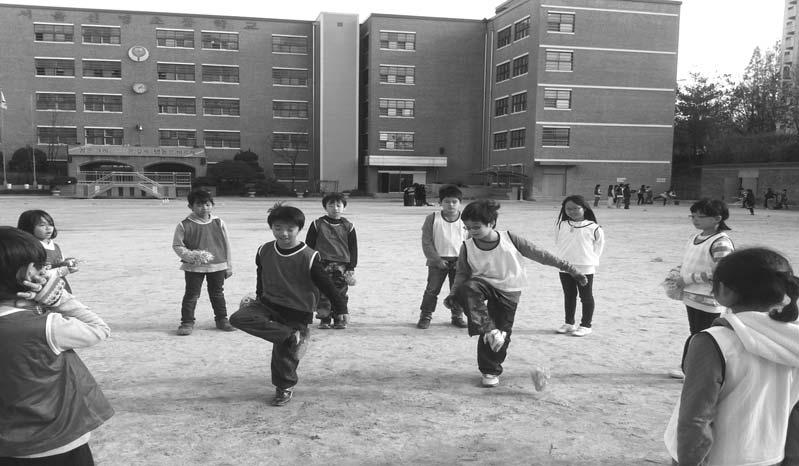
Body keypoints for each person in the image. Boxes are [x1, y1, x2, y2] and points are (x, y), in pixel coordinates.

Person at [664, 247, 799, 466]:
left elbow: (696, 418)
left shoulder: (714, 341)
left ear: (724, 291)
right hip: (768, 455)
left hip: (719, 457)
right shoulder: (792, 338)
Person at [443, 199, 587, 388]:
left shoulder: (510, 239)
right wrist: (453, 295)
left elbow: (541, 254)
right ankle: (488, 331)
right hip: (482, 284)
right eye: (467, 228)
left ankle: (491, 370)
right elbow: (462, 273)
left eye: (476, 227)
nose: (471, 232)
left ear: (491, 223)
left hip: (509, 290)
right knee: (469, 290)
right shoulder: (467, 246)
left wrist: (572, 270)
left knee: (502, 333)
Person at [0, 226, 114, 464]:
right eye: (40, 267)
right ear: (29, 273)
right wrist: (58, 298)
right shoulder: (46, 326)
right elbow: (99, 329)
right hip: (58, 439)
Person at [230, 203, 348, 406]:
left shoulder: (309, 256)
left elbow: (326, 285)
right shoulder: (264, 250)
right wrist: (259, 297)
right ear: (271, 228)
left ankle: (284, 387)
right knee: (239, 318)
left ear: (298, 229)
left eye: (289, 229)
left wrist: (341, 308)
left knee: (283, 356)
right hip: (268, 303)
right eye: (278, 228)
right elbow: (261, 275)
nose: (283, 233)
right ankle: (291, 336)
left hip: (297, 310)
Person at [669, 199, 735, 379]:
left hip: (708, 298)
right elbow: (689, 260)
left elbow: (721, 270)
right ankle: (689, 367)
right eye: (693, 215)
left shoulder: (720, 242)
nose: (695, 219)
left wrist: (689, 279)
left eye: (701, 216)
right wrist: (676, 273)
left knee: (703, 336)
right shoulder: (694, 237)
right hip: (692, 296)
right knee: (696, 333)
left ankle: (693, 370)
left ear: (717, 218)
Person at [172, 188, 234, 336]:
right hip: (194, 267)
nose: (204, 208)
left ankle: (222, 319)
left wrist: (229, 265)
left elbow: (226, 244)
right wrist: (190, 255)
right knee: (192, 295)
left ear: (212, 205)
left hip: (218, 265)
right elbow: (177, 245)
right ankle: (187, 322)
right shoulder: (184, 225)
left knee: (217, 293)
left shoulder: (219, 222)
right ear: (191, 206)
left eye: (207, 204)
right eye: (199, 205)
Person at [416, 184, 470, 329]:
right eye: (447, 201)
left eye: (454, 202)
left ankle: (457, 315)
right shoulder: (432, 218)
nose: (450, 205)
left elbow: (471, 242)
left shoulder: (466, 220)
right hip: (437, 262)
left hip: (460, 262)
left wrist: (463, 261)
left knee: (457, 290)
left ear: (460, 203)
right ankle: (425, 316)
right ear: (440, 202)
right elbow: (426, 242)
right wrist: (436, 259)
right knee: (432, 290)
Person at [553, 195, 605, 337]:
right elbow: (558, 242)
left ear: (584, 208)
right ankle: (569, 323)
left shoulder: (594, 228)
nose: (572, 211)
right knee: (569, 295)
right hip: (565, 266)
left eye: (576, 208)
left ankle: (586, 325)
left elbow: (598, 248)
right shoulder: (561, 225)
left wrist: (589, 261)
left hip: (585, 267)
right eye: (568, 209)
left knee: (586, 296)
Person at [305, 192, 357, 329]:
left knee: (340, 292)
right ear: (325, 207)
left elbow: (353, 248)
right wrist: (308, 264)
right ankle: (324, 318)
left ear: (344, 207)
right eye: (331, 205)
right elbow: (309, 245)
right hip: (321, 263)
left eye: (339, 205)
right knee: (322, 291)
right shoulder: (317, 224)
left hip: (341, 266)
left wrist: (351, 267)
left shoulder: (348, 226)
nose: (335, 208)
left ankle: (339, 317)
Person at [17, 210, 79, 293]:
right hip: (42, 290)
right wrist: (62, 271)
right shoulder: (31, 249)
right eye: (42, 225)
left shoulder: (55, 246)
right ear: (28, 228)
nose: (48, 228)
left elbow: (58, 263)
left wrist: (67, 263)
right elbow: (35, 274)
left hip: (59, 287)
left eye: (51, 224)